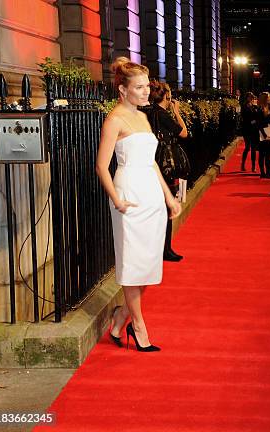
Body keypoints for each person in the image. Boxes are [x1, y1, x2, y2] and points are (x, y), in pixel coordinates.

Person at [96, 57, 182, 352]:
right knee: (133, 263)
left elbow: (153, 163)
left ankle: (121, 317)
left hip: (151, 195)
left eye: (148, 86)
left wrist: (169, 197)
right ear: (122, 89)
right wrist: (116, 199)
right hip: (128, 193)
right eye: (140, 87)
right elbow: (100, 166)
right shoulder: (115, 119)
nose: (147, 92)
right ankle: (139, 326)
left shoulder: (144, 117)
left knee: (147, 263)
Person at [147, 80, 188, 262]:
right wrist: (177, 111)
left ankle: (157, 248)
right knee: (165, 208)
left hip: (151, 161)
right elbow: (184, 133)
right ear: (167, 96)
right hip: (165, 166)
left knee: (155, 208)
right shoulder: (163, 114)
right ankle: (166, 249)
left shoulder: (147, 112)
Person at [257, 92, 270, 178]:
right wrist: (264, 134)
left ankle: (268, 172)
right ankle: (262, 172)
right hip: (263, 131)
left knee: (268, 153)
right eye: (268, 98)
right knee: (262, 153)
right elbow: (259, 123)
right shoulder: (260, 109)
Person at [240, 92, 259, 172]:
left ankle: (253, 166)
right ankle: (242, 164)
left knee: (254, 148)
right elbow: (244, 116)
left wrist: (255, 107)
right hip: (247, 129)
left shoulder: (255, 106)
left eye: (252, 97)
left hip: (254, 129)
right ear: (247, 98)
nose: (251, 99)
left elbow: (257, 115)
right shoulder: (244, 106)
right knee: (247, 147)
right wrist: (251, 121)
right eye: (250, 97)